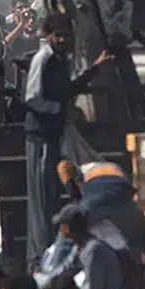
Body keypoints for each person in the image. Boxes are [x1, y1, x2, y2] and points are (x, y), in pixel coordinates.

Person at [23, 14, 113, 264]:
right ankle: (39, 256)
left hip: (54, 135)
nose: (62, 40)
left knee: (52, 195)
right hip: (39, 137)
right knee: (41, 198)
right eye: (58, 35)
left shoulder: (61, 60)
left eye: (66, 35)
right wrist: (62, 111)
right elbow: (32, 99)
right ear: (48, 35)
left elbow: (68, 90)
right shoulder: (43, 59)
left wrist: (94, 68)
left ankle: (51, 251)